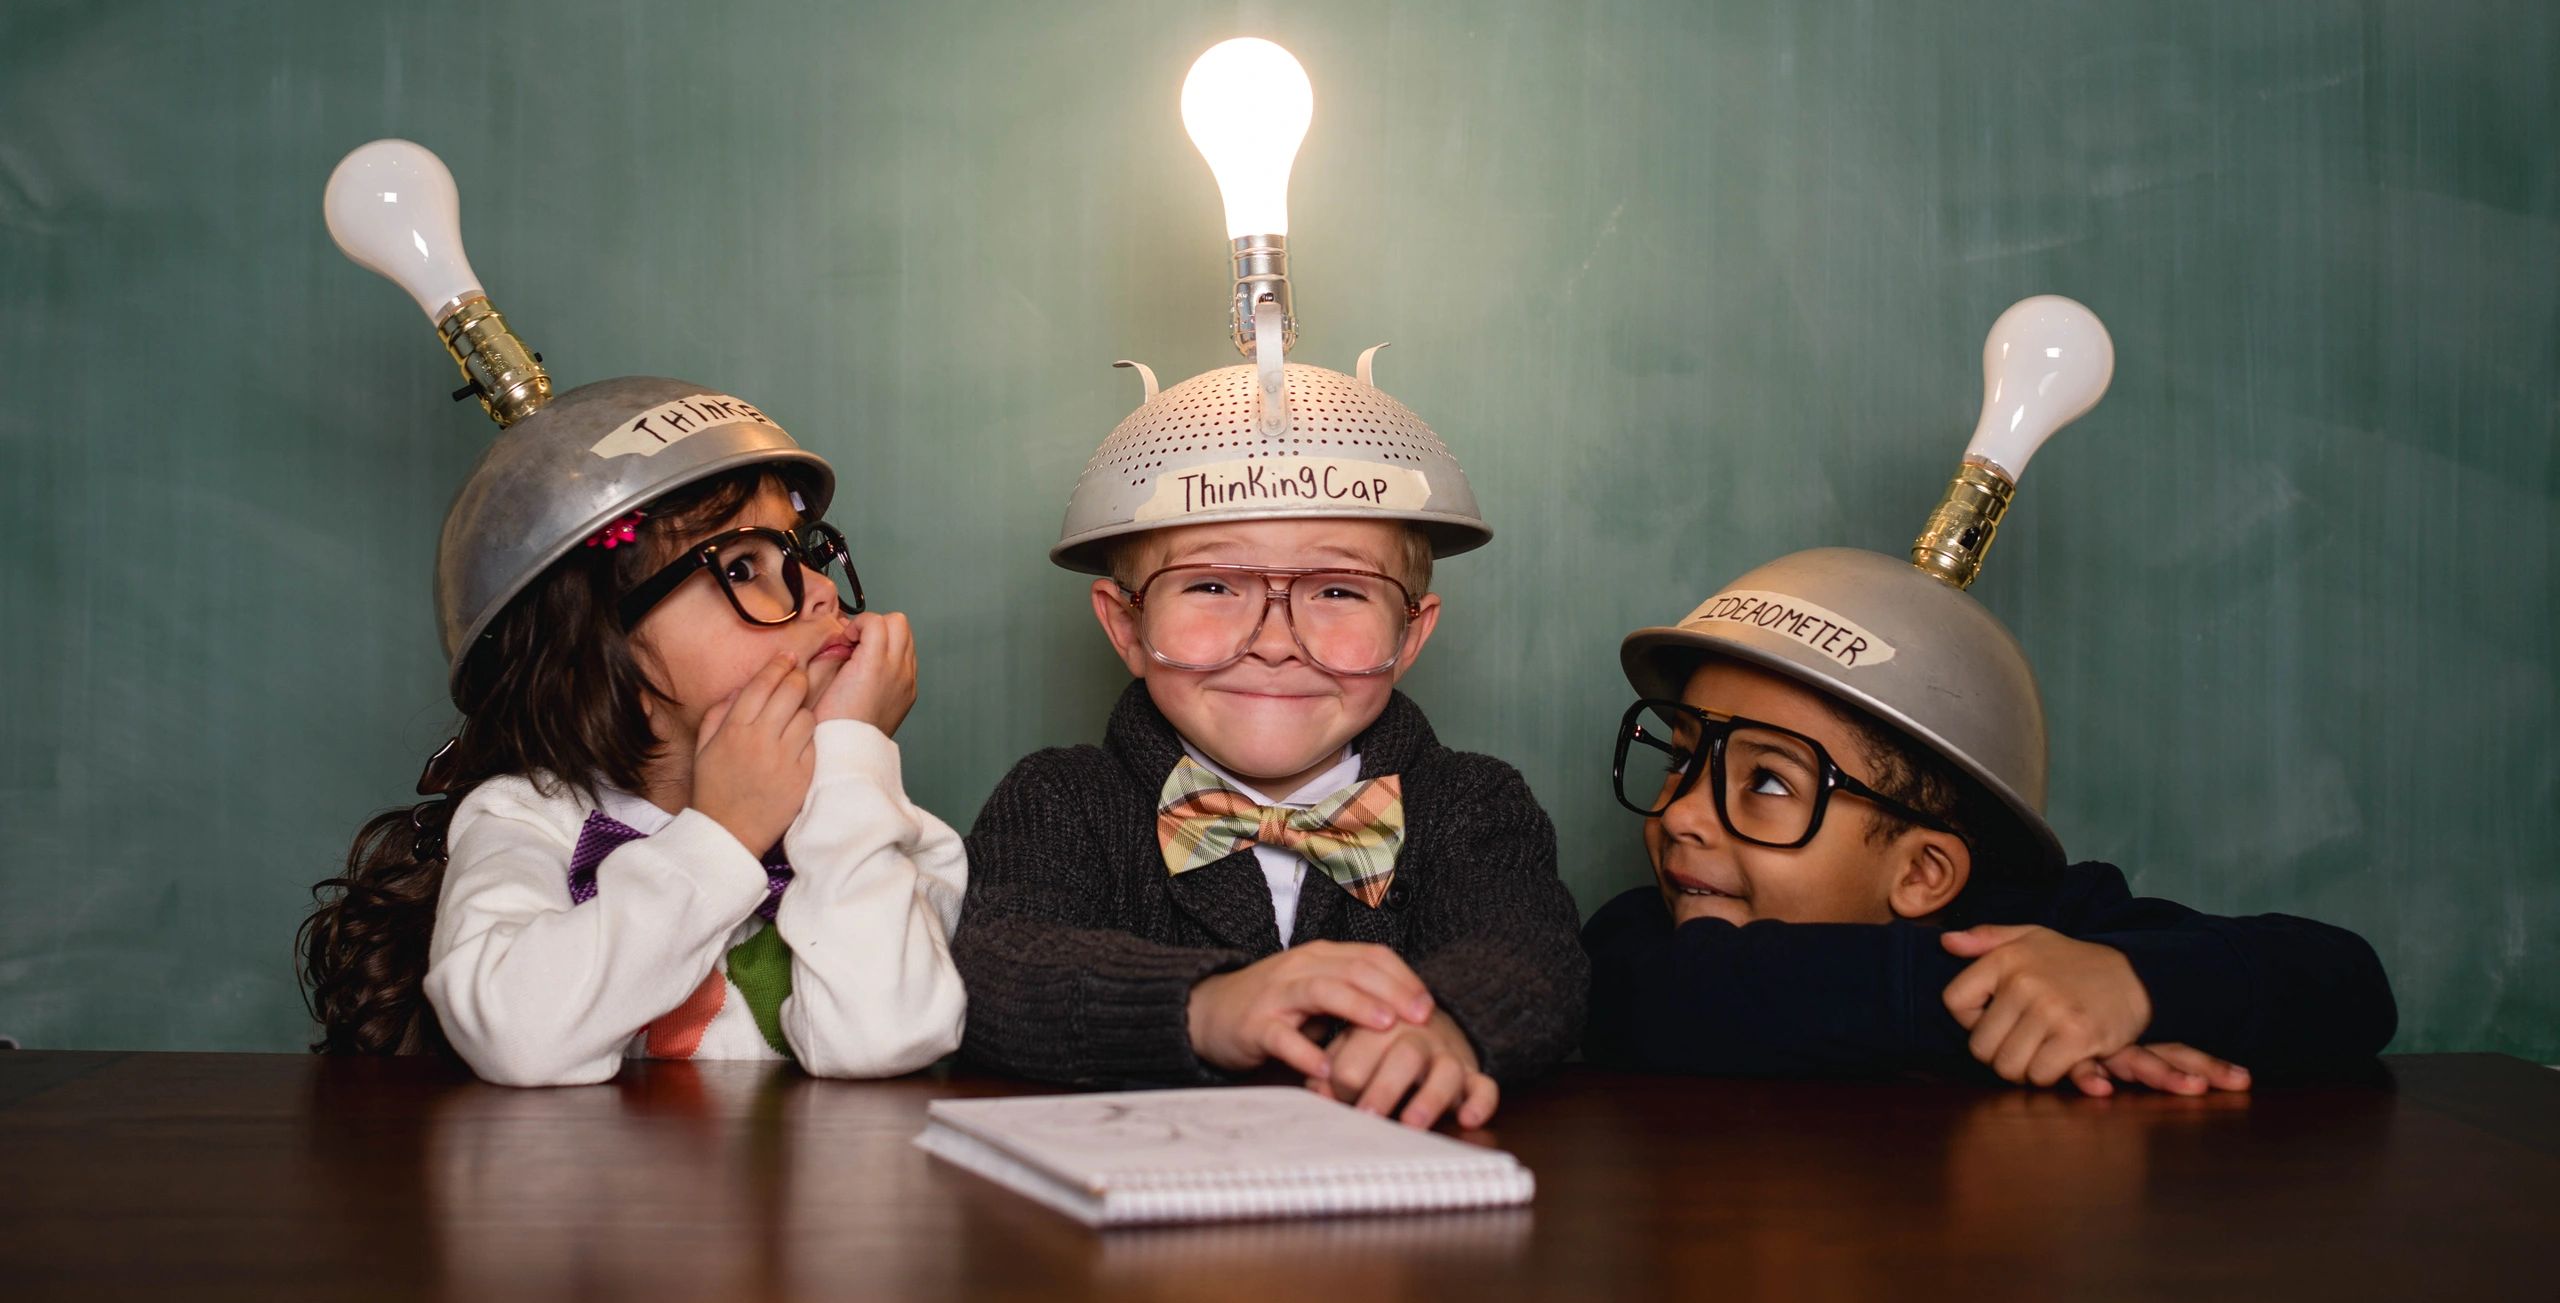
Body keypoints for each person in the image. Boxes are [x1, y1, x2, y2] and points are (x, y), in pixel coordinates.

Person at [954, 353, 1586, 1130]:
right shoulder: (1060, 799)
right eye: (1214, 585)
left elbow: (1531, 956)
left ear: (1411, 632)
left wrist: (1447, 1024)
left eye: (1338, 590)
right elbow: (995, 967)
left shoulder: (1473, 802)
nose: (1276, 641)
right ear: (1126, 625)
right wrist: (1205, 1005)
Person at [300, 377, 966, 1084]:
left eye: (802, 555)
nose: (822, 590)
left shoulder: (883, 825)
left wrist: (851, 760)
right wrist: (724, 837)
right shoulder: (529, 821)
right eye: (745, 566)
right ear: (607, 663)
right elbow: (518, 1035)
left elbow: (884, 1040)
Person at [1582, 545, 2398, 1092]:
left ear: (1923, 872)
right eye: (1681, 756)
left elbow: (2349, 981)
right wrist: (2017, 1012)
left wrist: (2131, 988)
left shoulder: (2046, 925)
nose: (1682, 810)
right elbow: (1676, 1004)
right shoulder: (1641, 939)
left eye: (1765, 780)